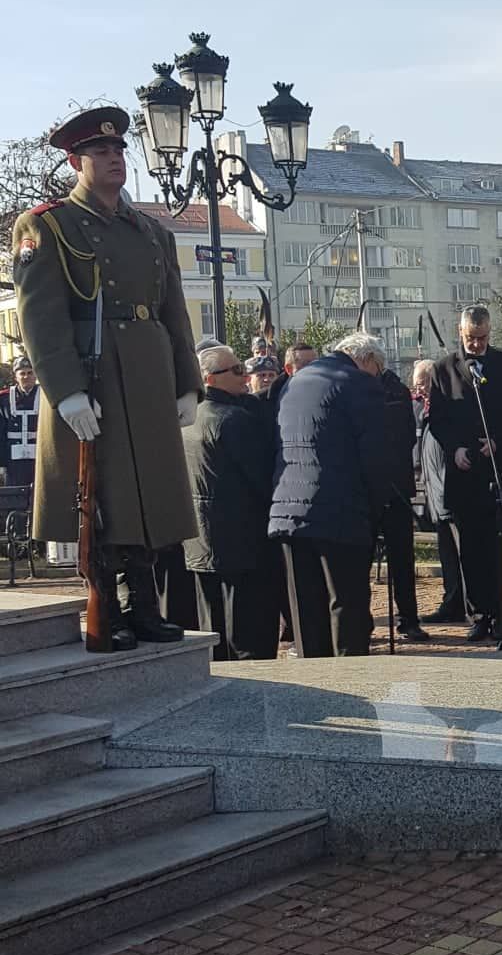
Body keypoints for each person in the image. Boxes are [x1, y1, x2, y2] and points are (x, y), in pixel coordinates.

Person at [12, 106, 200, 650]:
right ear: (76, 162)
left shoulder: (150, 230)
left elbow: (173, 310)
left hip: (148, 375)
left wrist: (187, 381)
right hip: (93, 375)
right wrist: (65, 390)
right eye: (100, 152)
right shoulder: (48, 225)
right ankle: (108, 607)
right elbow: (40, 316)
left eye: (119, 150)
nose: (115, 158)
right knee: (102, 498)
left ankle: (144, 605)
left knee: (149, 495)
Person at [268, 331, 388, 656]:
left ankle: (313, 679)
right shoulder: (359, 384)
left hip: (287, 511)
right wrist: (377, 509)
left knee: (306, 609)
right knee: (347, 606)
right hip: (341, 510)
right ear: (367, 360)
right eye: (378, 370)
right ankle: (350, 676)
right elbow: (376, 456)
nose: (378, 377)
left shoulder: (294, 382)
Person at [428, 304, 502, 645]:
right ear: (461, 332)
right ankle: (479, 615)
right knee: (469, 550)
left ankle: (500, 613)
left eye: (482, 338)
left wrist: (498, 440)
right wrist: (454, 448)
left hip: (496, 470)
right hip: (463, 472)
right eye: (471, 338)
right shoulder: (443, 369)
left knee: (497, 547)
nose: (476, 344)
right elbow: (437, 419)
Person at [181, 346, 282, 659]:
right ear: (210, 378)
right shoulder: (234, 420)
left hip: (201, 541)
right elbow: (262, 478)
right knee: (249, 635)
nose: (245, 375)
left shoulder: (188, 418)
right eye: (237, 370)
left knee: (213, 632)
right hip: (241, 542)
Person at [375, 358, 427, 644]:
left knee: (402, 560)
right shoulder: (352, 387)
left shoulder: (396, 390)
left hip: (396, 486)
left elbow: (406, 436)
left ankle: (408, 619)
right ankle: (362, 622)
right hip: (365, 490)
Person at [412, 358, 464, 624]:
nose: (418, 389)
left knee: (459, 554)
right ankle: (452, 601)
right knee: (447, 555)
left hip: (450, 496)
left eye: (422, 383)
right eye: (416, 384)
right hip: (436, 497)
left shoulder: (449, 411)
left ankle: (463, 602)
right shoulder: (426, 412)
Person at [0, 355, 39, 490]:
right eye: (22, 373)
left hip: (38, 458)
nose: (26, 377)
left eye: (30, 373)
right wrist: (2, 464)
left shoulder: (45, 397)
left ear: (35, 375)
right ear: (16, 376)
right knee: (15, 495)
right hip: (12, 462)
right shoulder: (4, 399)